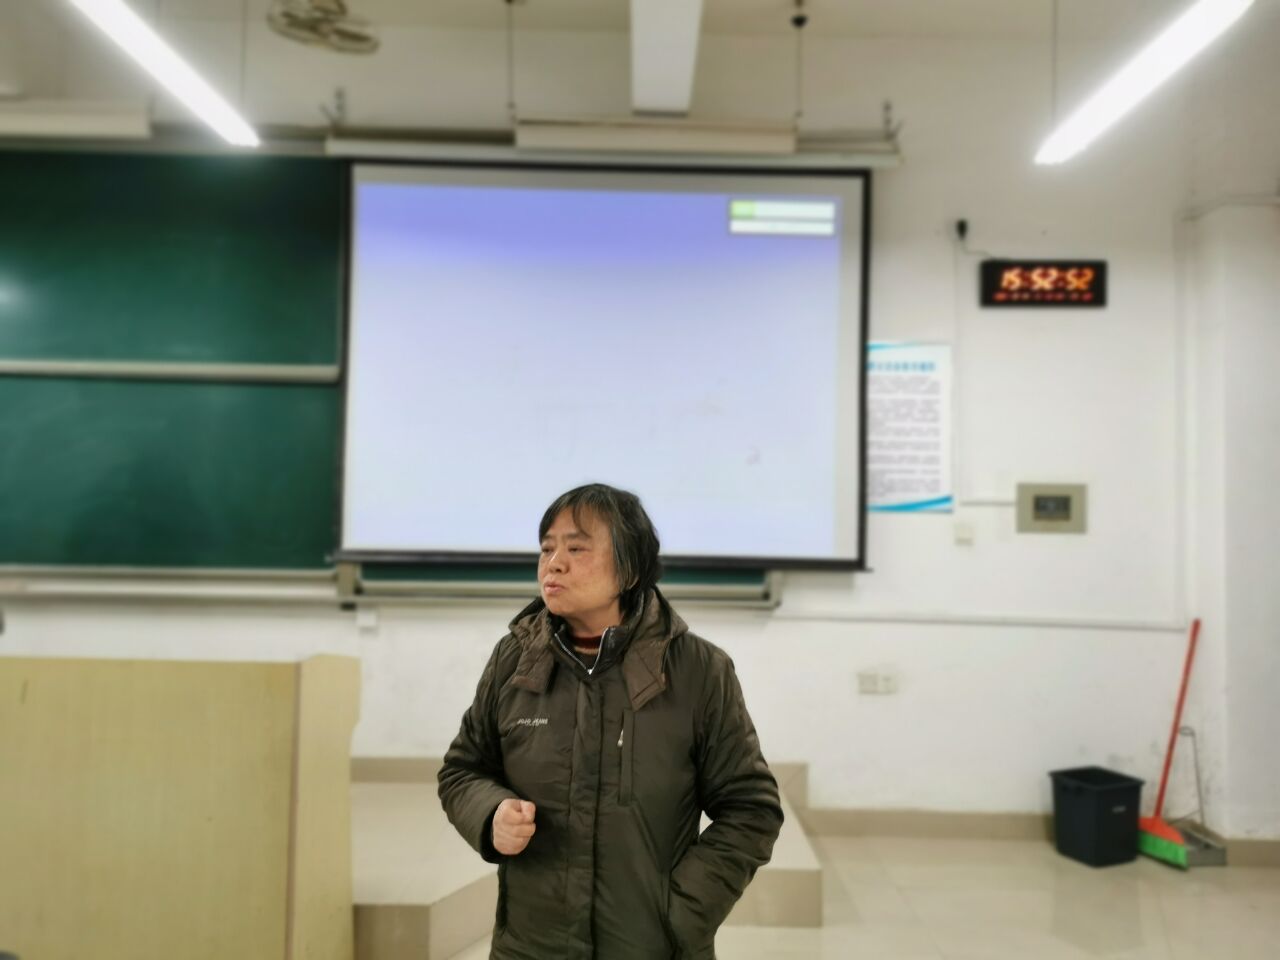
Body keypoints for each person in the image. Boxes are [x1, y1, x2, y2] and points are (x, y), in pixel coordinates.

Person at [438, 483, 783, 959]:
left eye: (577, 548)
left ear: (630, 568)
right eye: (547, 548)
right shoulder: (514, 659)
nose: (554, 563)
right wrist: (490, 813)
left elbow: (750, 809)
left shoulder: (699, 671)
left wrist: (681, 913)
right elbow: (463, 770)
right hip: (531, 946)